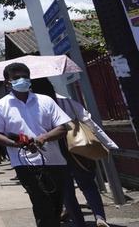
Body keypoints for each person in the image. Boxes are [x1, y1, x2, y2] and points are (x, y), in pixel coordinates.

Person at [0, 63, 73, 226]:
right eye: (16, 77)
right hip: (25, 164)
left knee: (55, 205)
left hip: (54, 161)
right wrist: (18, 144)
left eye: (25, 77)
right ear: (8, 82)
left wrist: (43, 138)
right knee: (41, 204)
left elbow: (62, 128)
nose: (22, 80)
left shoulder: (45, 101)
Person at [55, 94, 119, 227]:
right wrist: (107, 143)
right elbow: (89, 122)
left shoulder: (37, 104)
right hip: (78, 147)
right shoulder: (68, 102)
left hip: (56, 151)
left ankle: (78, 222)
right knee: (88, 185)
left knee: (66, 190)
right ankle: (99, 216)